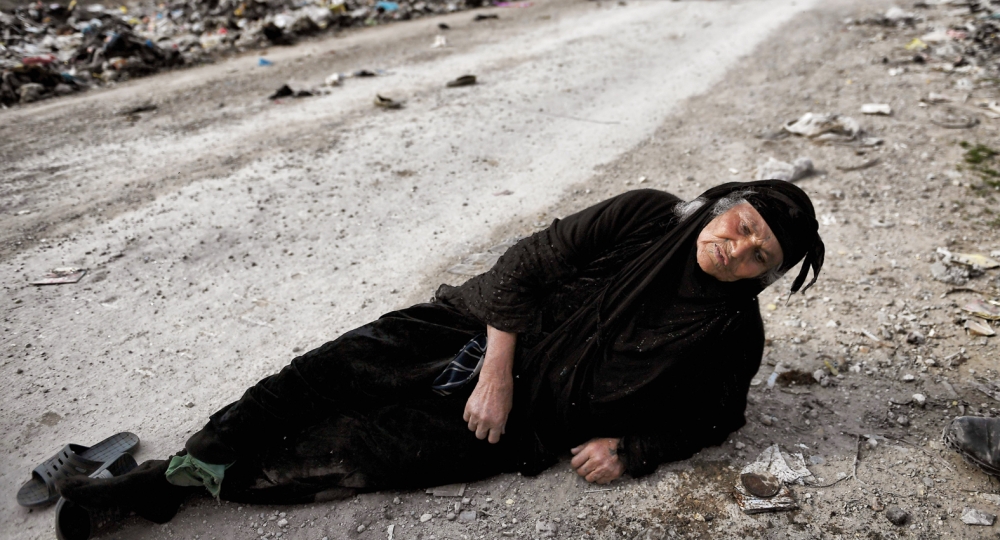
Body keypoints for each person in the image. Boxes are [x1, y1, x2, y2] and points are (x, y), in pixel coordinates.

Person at [54, 181, 825, 534]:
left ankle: (187, 490)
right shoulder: (647, 215)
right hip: (469, 331)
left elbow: (719, 413)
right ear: (728, 205)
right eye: (743, 222)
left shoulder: (731, 332)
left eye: (761, 251)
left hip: (524, 425)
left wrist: (633, 448)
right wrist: (494, 373)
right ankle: (172, 475)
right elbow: (523, 267)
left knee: (344, 455)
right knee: (320, 376)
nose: (739, 245)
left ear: (769, 272)